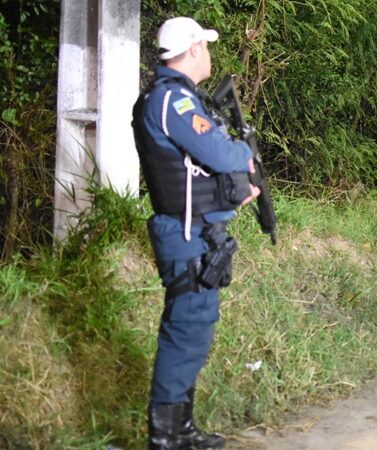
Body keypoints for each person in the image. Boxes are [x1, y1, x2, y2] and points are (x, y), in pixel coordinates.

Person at [131, 17, 260, 450]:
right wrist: (243, 152)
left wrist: (234, 192)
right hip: (185, 235)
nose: (208, 53)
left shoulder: (183, 99)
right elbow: (219, 152)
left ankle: (180, 429)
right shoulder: (172, 101)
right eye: (204, 46)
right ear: (192, 51)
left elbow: (197, 169)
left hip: (201, 233)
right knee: (186, 327)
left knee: (195, 326)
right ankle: (166, 437)